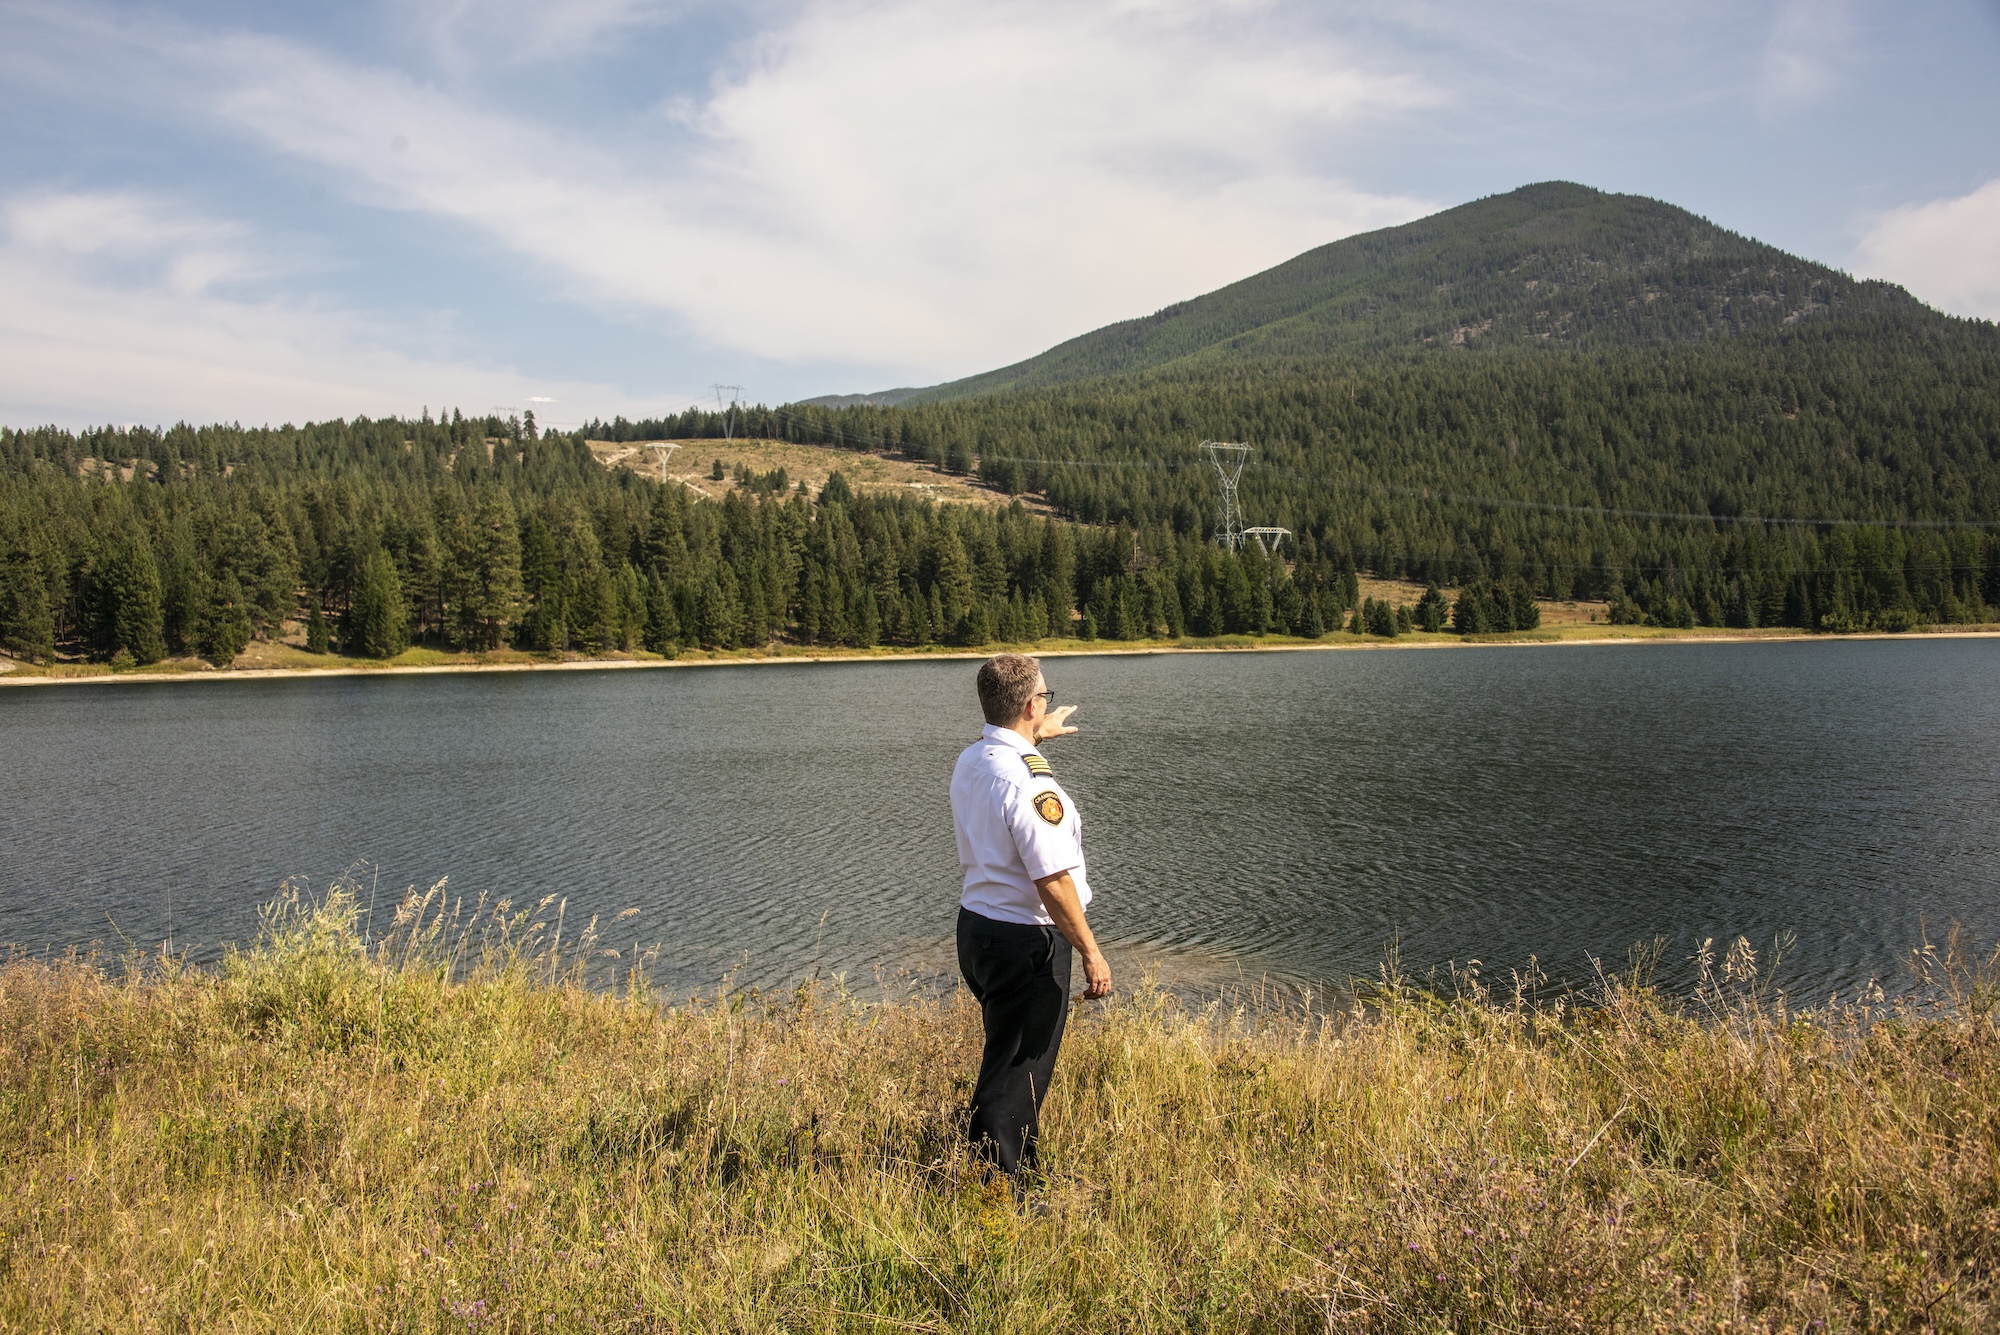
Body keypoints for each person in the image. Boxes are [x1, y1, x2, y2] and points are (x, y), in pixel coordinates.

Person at [950, 652, 1113, 1176]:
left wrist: (1035, 734)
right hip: (1027, 944)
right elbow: (1053, 881)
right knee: (1020, 1067)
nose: (1045, 703)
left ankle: (1012, 1164)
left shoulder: (972, 759)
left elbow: (1008, 751)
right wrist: (1091, 951)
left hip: (978, 930)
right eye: (1043, 697)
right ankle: (1001, 1189)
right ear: (1028, 704)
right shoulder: (1031, 783)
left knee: (1008, 1052)